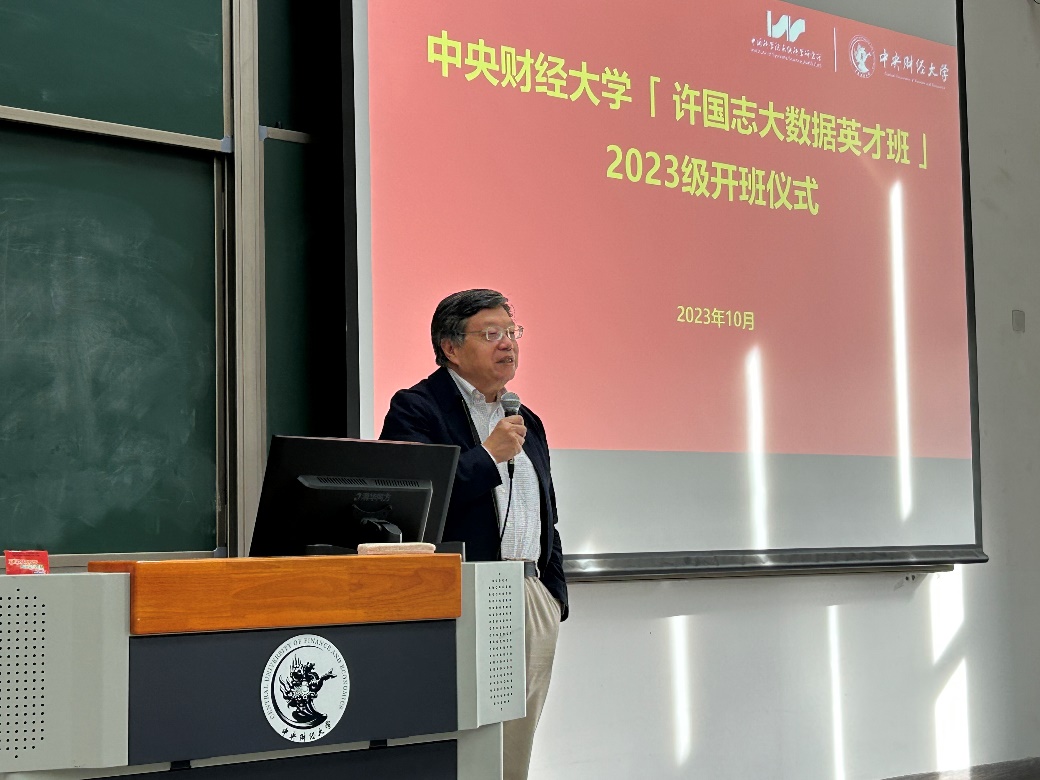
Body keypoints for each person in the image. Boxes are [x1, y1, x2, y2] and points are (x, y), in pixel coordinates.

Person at [380, 288, 567, 780]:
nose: (508, 344)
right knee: (463, 744)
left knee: (514, 747)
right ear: (451, 347)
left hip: (529, 595)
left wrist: (553, 595)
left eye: (512, 332)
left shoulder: (526, 421)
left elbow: (544, 516)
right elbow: (411, 503)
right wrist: (487, 456)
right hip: (463, 593)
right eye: (490, 334)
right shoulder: (418, 409)